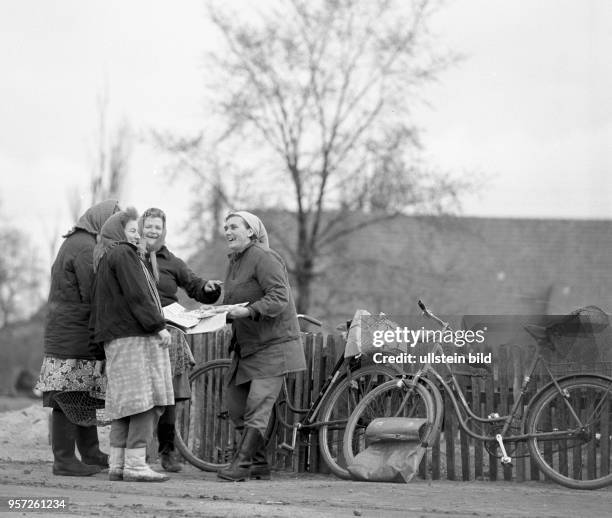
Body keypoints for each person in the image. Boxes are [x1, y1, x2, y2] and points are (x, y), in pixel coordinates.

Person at [217, 211, 306, 482]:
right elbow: (232, 298)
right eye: (226, 227)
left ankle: (241, 465)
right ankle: (259, 464)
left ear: (251, 232)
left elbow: (279, 297)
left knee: (258, 406)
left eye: (234, 226)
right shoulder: (234, 262)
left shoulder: (265, 257)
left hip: (274, 346)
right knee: (235, 405)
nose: (228, 231)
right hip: (247, 347)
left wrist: (250, 311)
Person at [36, 199, 119, 477]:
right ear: (101, 221)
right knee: (67, 397)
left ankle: (91, 453)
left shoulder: (78, 241)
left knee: (82, 396)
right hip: (73, 336)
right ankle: (64, 460)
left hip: (72, 332)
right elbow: (94, 293)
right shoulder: (85, 247)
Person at [90, 208, 173, 482]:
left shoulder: (104, 258)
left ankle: (118, 463)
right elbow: (138, 295)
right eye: (132, 231)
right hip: (135, 338)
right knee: (144, 401)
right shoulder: (124, 254)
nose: (138, 236)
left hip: (116, 340)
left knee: (123, 404)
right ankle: (136, 464)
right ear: (119, 234)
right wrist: (157, 326)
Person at [138, 207, 222, 472]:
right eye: (148, 226)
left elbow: (195, 285)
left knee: (169, 395)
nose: (153, 231)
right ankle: (135, 452)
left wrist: (209, 289)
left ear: (163, 230)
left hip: (170, 332)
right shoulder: (130, 255)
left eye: (157, 227)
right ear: (141, 227)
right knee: (141, 393)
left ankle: (167, 451)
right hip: (139, 332)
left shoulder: (171, 261)